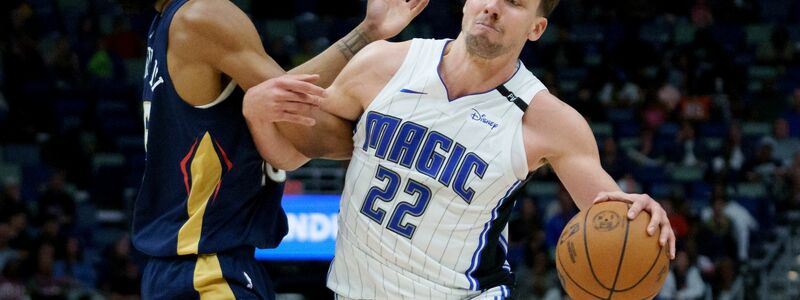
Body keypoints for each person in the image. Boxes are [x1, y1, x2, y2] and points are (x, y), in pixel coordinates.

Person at [244, 0, 676, 298]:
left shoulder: (549, 121)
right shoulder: (384, 64)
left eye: (514, 3)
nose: (493, 6)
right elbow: (289, 152)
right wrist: (257, 112)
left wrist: (638, 214)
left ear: (537, 27)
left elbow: (610, 210)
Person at [134, 0, 428, 298]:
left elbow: (282, 97)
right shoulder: (201, 14)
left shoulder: (169, 23)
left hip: (193, 268)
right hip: (207, 273)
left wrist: (368, 33)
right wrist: (396, 141)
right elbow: (298, 119)